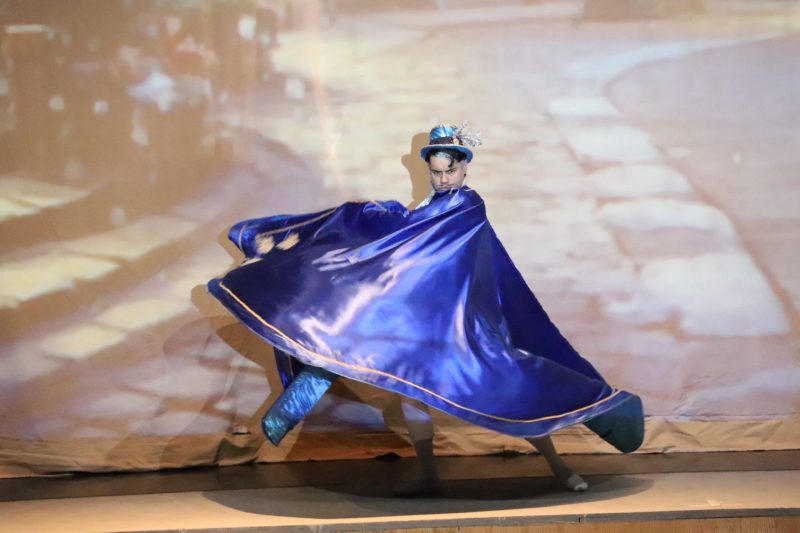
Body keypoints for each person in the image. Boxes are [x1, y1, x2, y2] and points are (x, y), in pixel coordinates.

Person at [207, 123, 644, 497]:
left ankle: (560, 468)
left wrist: (394, 225)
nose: (443, 178)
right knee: (409, 389)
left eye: (450, 170)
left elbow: (431, 249)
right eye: (436, 172)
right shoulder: (429, 208)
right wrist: (373, 220)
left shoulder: (467, 206)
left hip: (464, 324)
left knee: (513, 393)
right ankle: (428, 475)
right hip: (423, 324)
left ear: (465, 168)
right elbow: (404, 249)